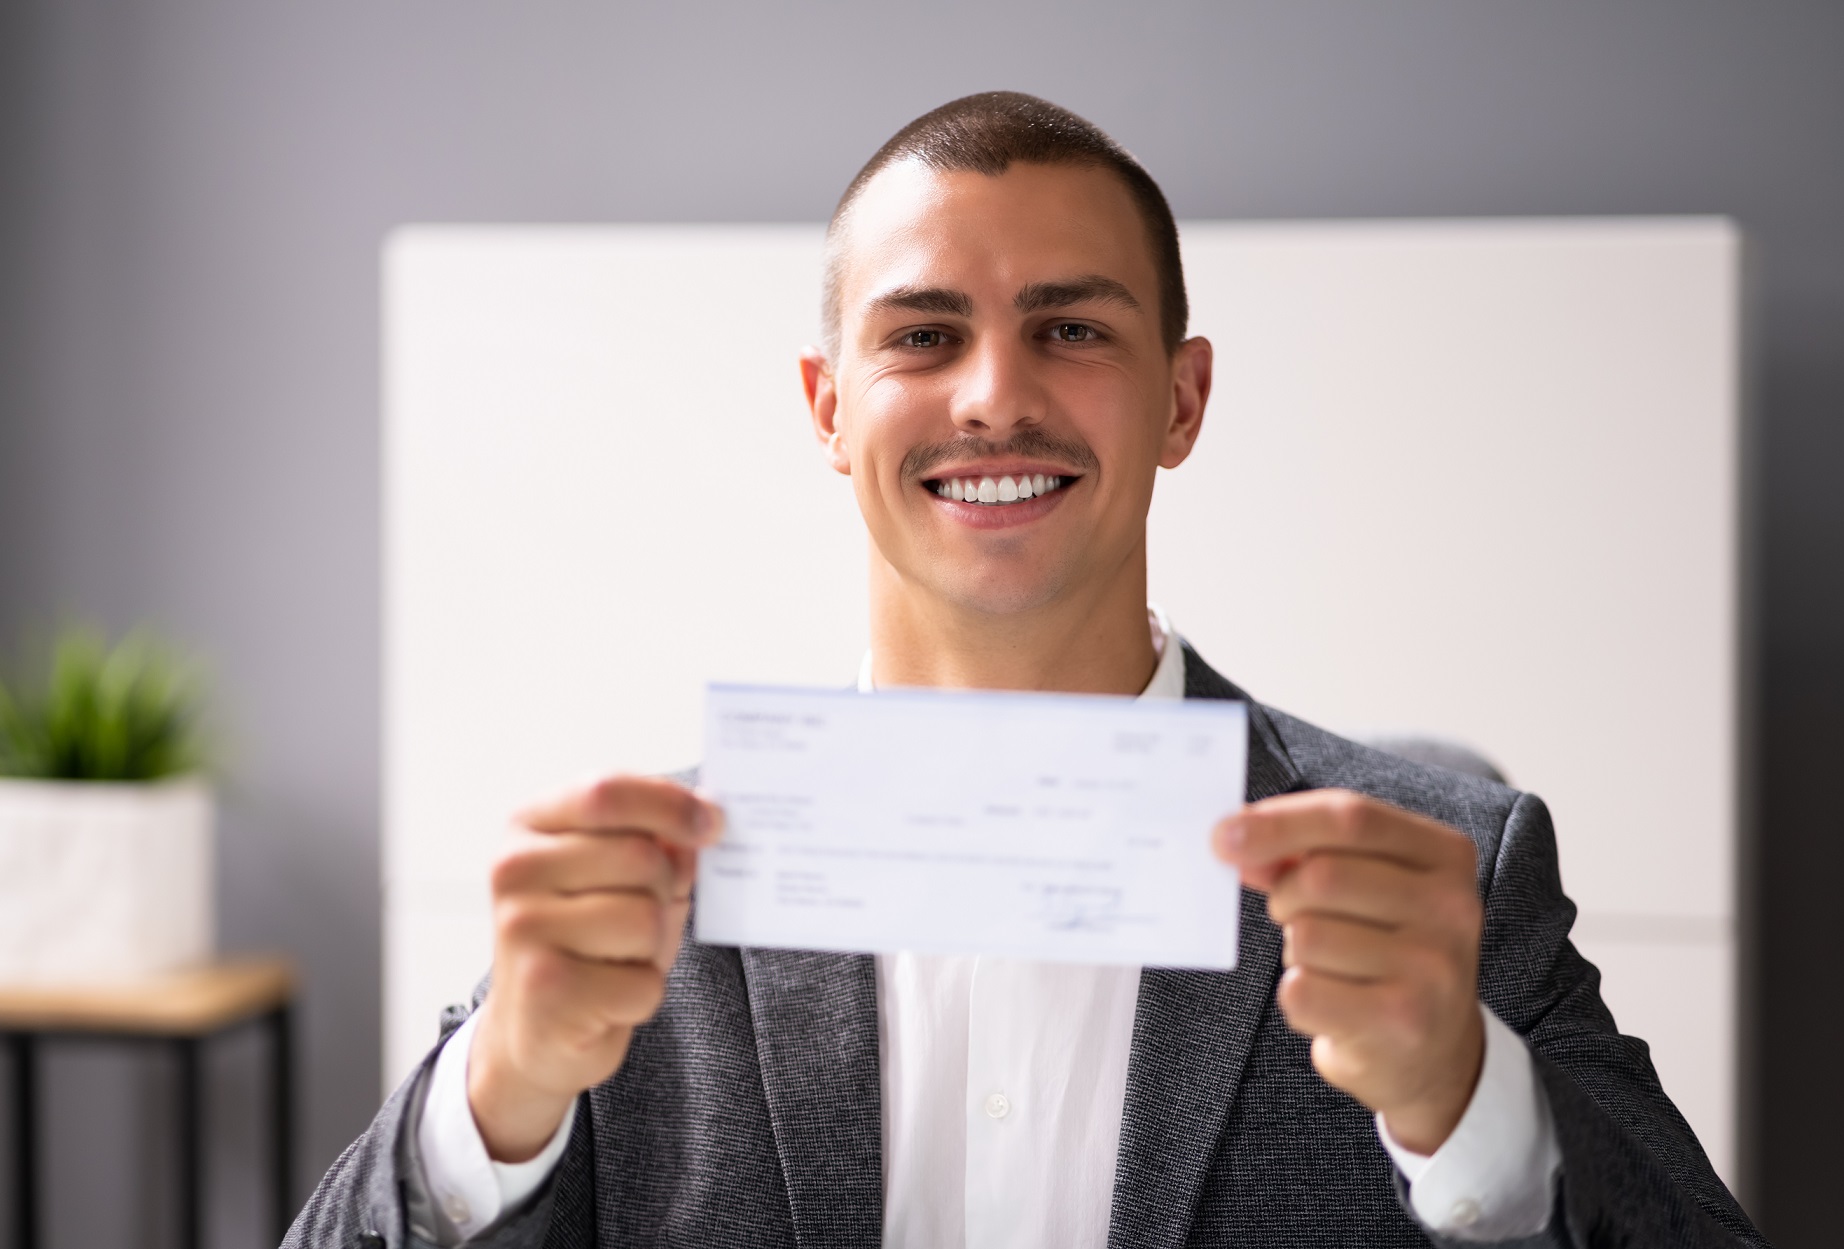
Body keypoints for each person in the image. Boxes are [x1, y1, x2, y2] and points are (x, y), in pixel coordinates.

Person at [287, 92, 1766, 1249]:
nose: (994, 393)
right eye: (924, 334)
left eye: (1069, 328)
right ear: (825, 405)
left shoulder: (1452, 867)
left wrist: (1468, 1106)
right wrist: (489, 1107)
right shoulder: (632, 895)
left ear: (1181, 398)